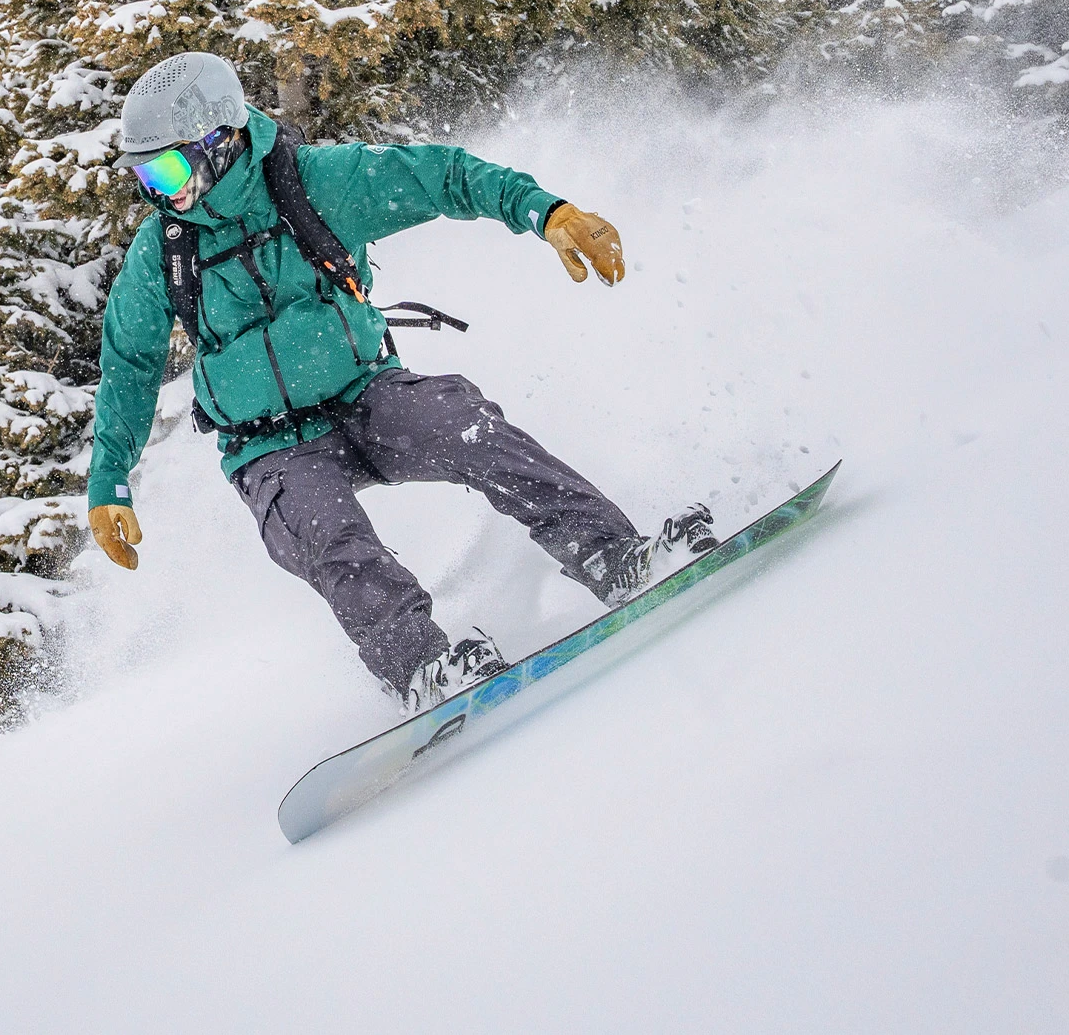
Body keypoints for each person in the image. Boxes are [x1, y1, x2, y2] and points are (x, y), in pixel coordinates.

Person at [84, 51, 714, 711]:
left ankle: (612, 555)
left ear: (220, 141)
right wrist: (109, 483)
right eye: (144, 176)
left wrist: (545, 212)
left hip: (366, 394)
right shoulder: (164, 254)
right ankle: (423, 668)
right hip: (268, 448)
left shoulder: (314, 182)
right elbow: (128, 365)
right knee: (330, 535)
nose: (159, 193)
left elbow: (442, 177)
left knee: (468, 430)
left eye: (168, 169)